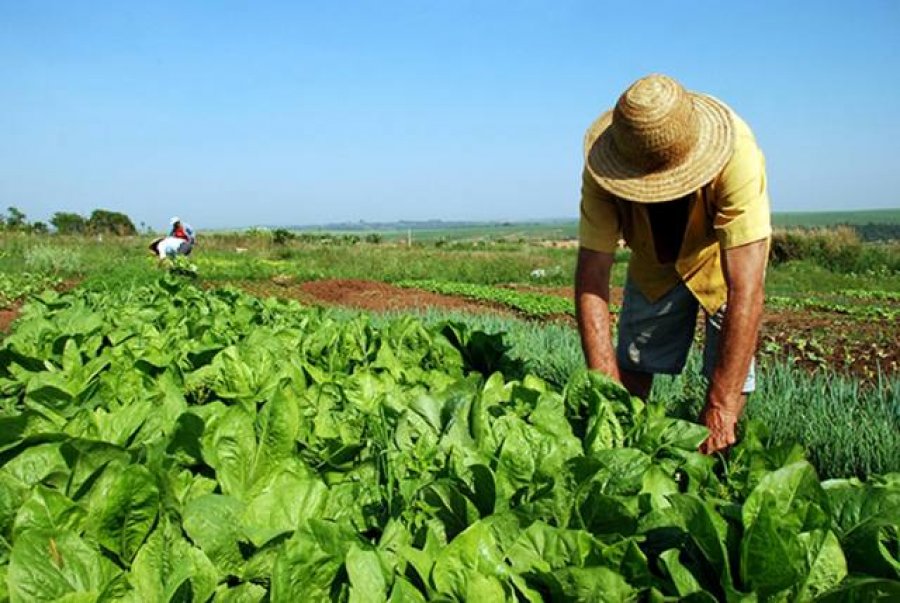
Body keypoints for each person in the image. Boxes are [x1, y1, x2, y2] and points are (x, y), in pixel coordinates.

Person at [575, 74, 771, 455]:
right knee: (632, 364)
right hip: (651, 255)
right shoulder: (603, 168)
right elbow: (591, 276)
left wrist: (721, 404)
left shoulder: (737, 154)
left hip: (718, 255)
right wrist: (605, 394)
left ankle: (714, 465)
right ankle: (627, 450)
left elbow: (747, 288)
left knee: (726, 396)